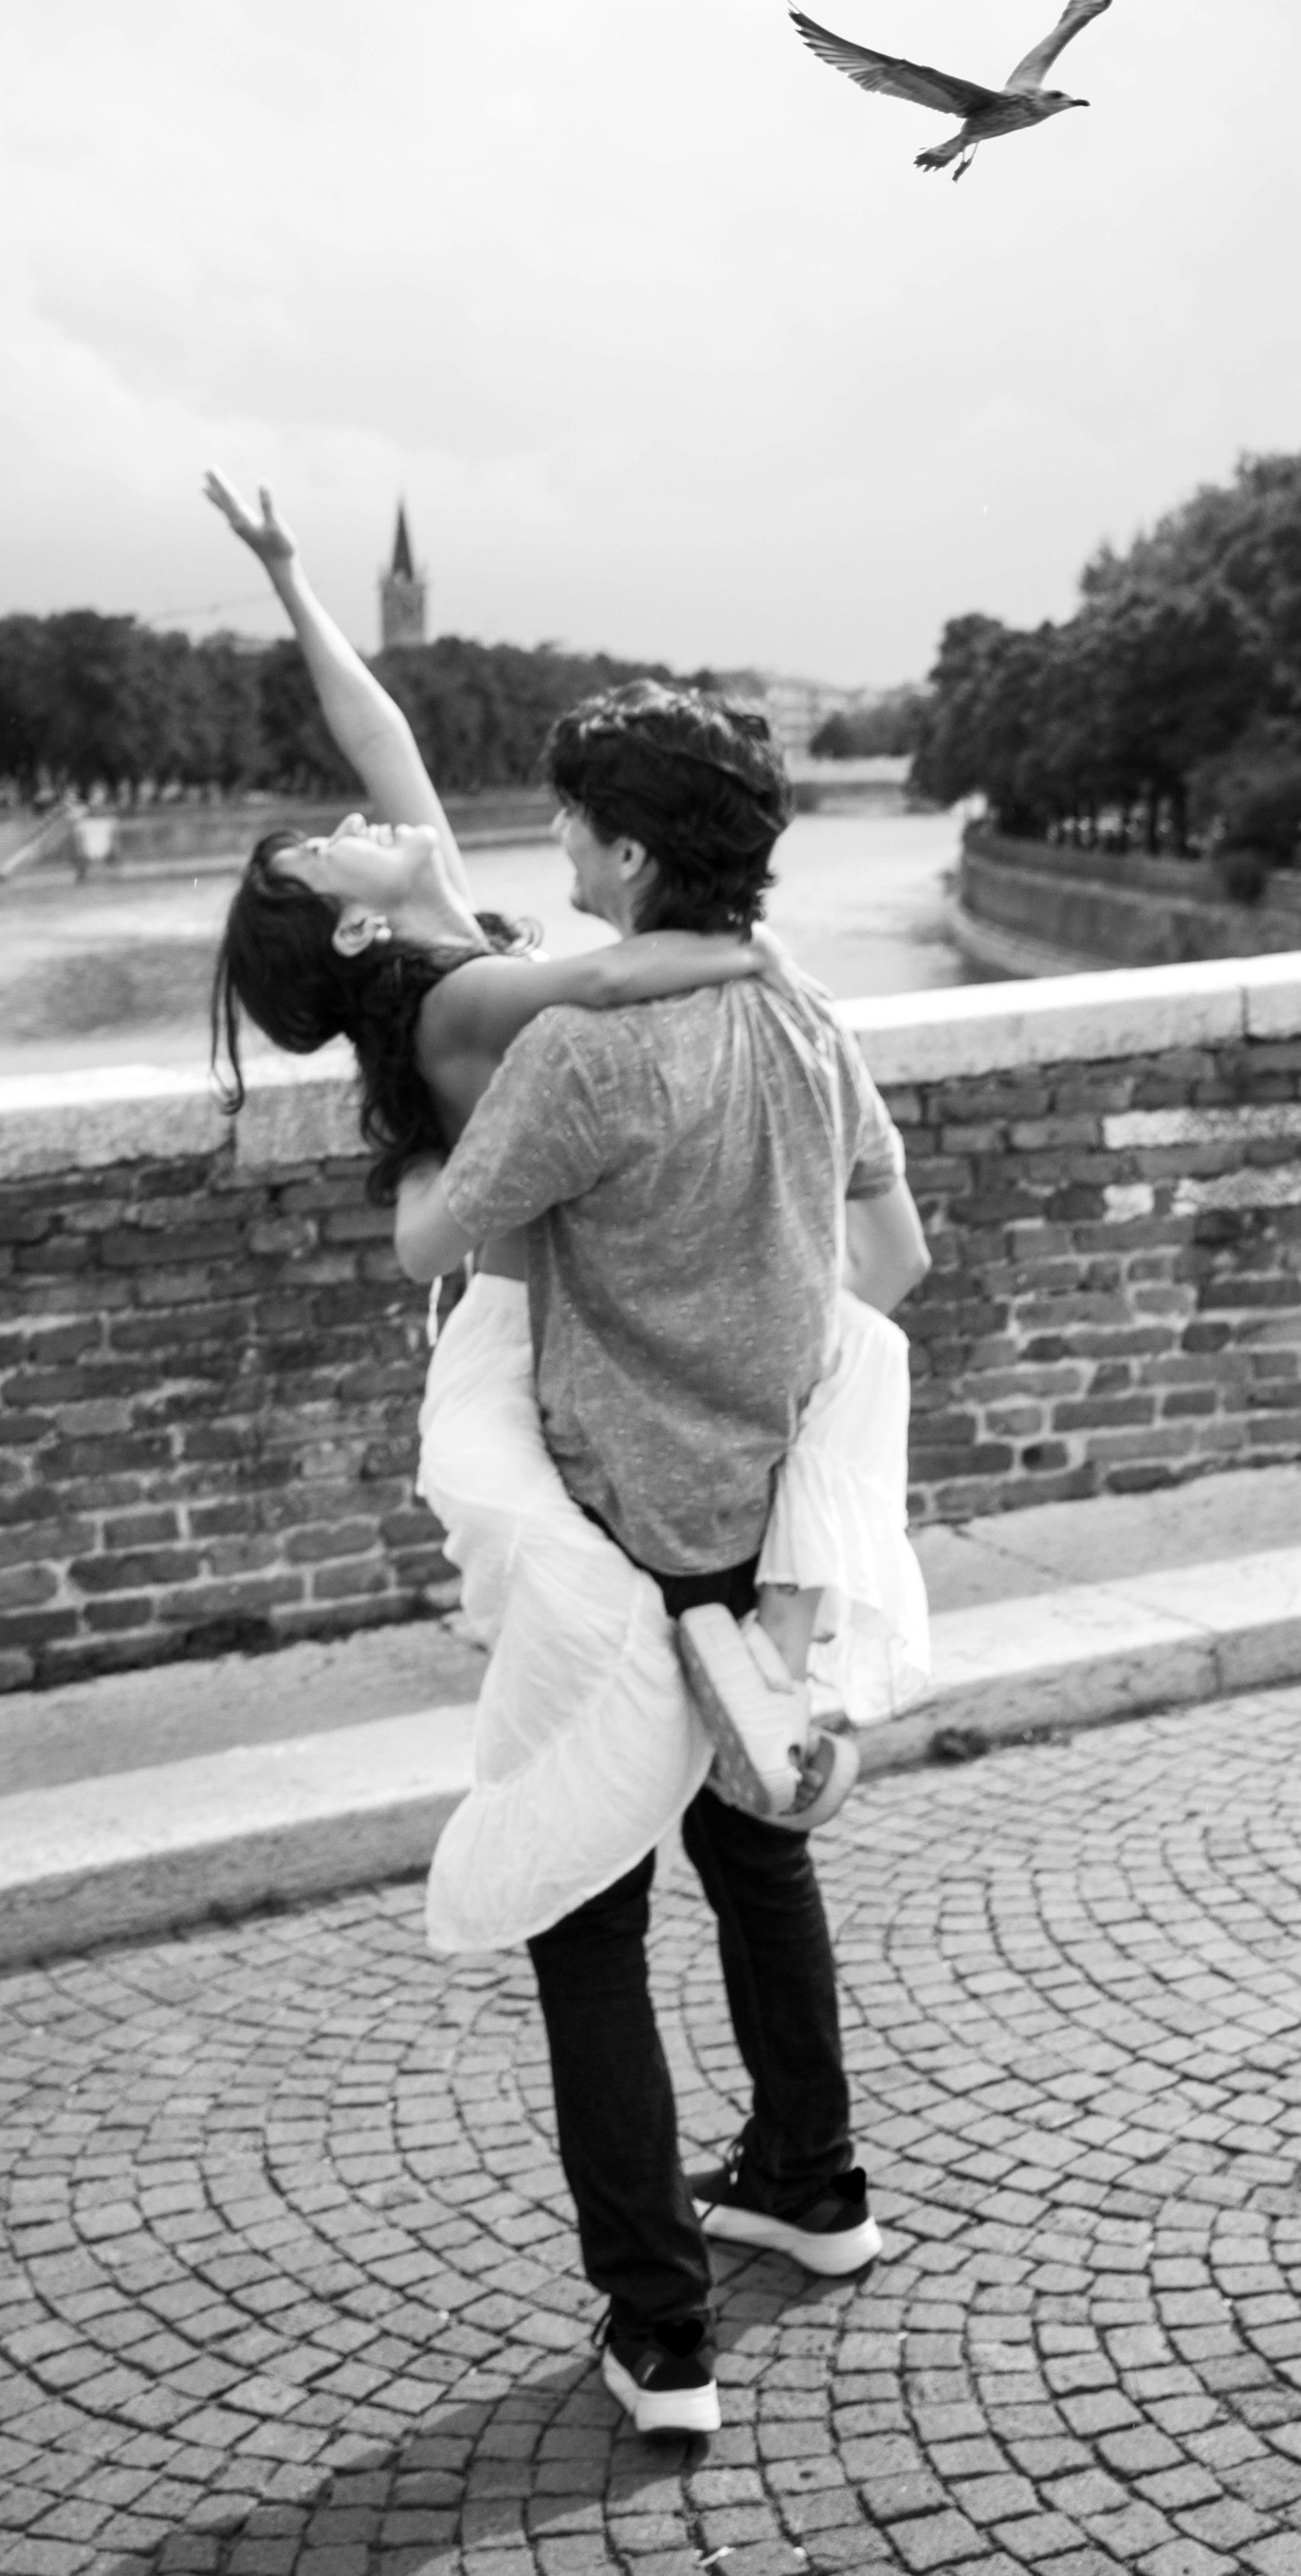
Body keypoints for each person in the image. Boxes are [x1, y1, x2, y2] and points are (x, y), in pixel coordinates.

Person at [203, 475, 928, 1892]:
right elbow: (608, 974)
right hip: (540, 1317)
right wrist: (751, 955)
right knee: (639, 1668)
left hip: (566, 1282)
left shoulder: (446, 929)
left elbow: (380, 724)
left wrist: (291, 581)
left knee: (847, 1374)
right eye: (332, 838)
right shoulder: (465, 994)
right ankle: (740, 1683)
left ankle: (746, 1675)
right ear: (354, 913)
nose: (364, 808)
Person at [391, 678, 929, 2442]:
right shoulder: (805, 1020)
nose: (552, 849)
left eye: (566, 825)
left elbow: (426, 1241)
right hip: (757, 1527)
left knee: (585, 1915)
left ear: (625, 853)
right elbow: (897, 1261)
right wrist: (750, 1339)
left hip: (612, 1537)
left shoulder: (581, 1053)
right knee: (757, 1852)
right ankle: (813, 2181)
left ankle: (663, 2336)